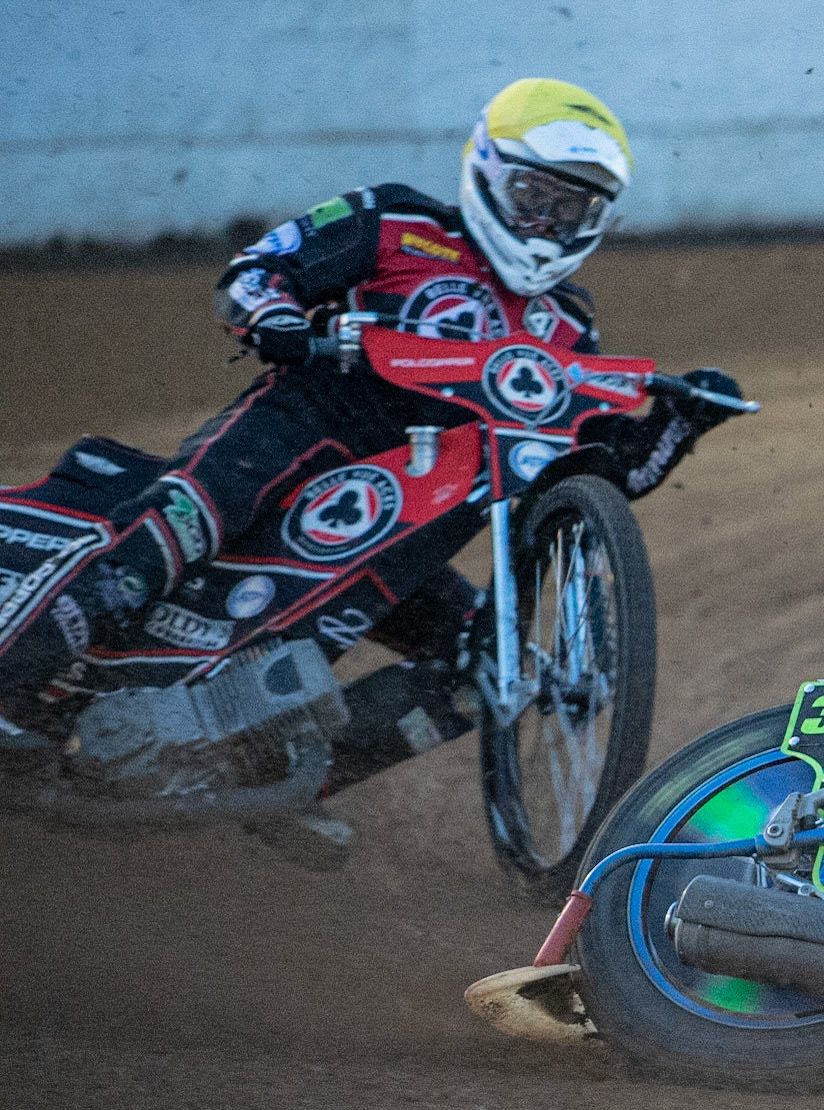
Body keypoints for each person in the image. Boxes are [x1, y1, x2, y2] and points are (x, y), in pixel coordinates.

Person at [0, 79, 743, 752]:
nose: (546, 219)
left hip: (412, 525)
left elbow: (575, 476)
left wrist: (674, 428)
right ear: (486, 170)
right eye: (531, 194)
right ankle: (13, 680)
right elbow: (256, 274)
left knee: (483, 657)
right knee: (176, 523)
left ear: (595, 219)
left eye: (569, 206)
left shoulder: (570, 326)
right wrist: (278, 319)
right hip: (298, 429)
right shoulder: (393, 219)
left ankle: (285, 778)